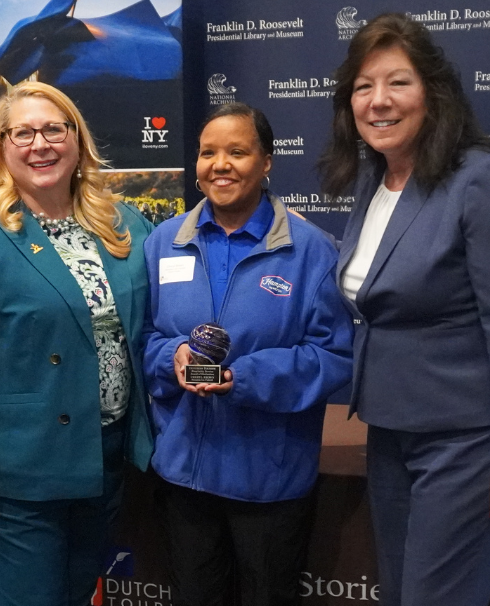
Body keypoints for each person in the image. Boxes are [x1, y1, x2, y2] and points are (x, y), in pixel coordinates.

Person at [319, 13, 490, 606]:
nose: (378, 102)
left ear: (433, 94)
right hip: (390, 434)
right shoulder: (375, 179)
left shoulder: (483, 180)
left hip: (466, 446)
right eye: (363, 87)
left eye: (398, 83)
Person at [0, 80, 155, 606]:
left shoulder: (124, 224)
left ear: (77, 139)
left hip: (105, 459)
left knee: (74, 596)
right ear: (1, 147)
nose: (39, 144)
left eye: (53, 129)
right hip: (18, 473)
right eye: (21, 133)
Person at [143, 103, 353, 606]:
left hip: (269, 478)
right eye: (207, 153)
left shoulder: (310, 251)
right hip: (184, 473)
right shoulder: (163, 244)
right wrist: (171, 356)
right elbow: (143, 340)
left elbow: (335, 356)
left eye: (237, 152)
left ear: (267, 163)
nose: (220, 164)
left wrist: (245, 377)